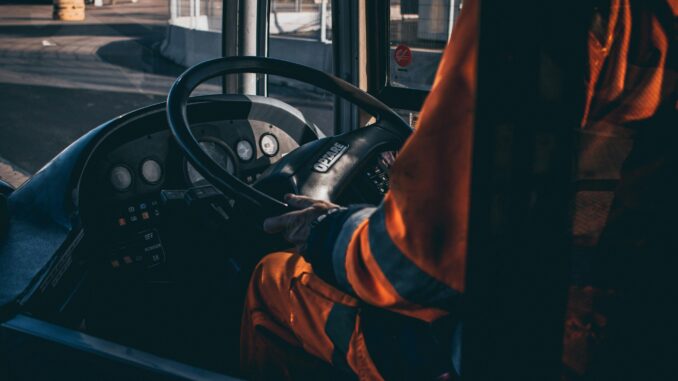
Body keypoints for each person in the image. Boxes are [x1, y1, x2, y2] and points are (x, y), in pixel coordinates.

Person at [240, 0, 675, 379]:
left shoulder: (526, 17)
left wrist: (325, 227)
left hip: (521, 347)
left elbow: (411, 264)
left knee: (273, 280)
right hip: (630, 335)